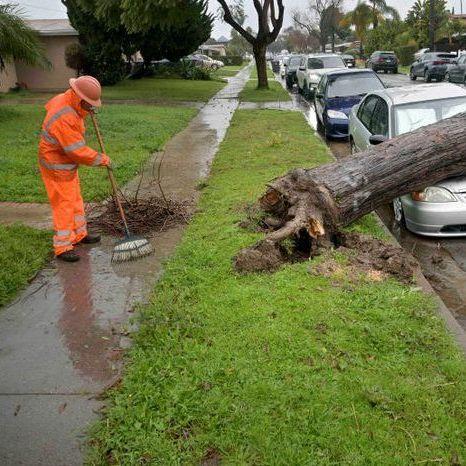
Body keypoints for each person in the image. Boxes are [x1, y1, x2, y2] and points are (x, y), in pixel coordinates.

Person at [38, 75, 111, 263]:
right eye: (89, 104)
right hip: (56, 166)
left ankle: (79, 234)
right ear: (79, 98)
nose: (91, 108)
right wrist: (101, 159)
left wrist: (86, 110)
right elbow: (77, 151)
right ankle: (62, 246)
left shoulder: (70, 101)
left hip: (66, 164)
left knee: (75, 199)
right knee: (64, 204)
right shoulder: (65, 116)